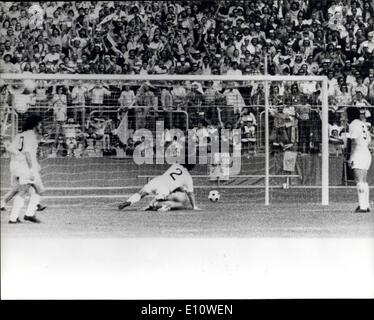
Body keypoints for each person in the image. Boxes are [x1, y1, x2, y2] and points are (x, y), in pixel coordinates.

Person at [7, 114, 45, 223]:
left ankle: (19, 216)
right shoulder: (31, 136)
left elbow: (11, 149)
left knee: (32, 190)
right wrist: (32, 169)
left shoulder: (20, 135)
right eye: (40, 123)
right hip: (26, 167)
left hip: (17, 166)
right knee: (36, 190)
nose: (41, 125)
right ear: (35, 124)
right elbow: (28, 153)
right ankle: (27, 214)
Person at [118, 161, 200, 211]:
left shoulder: (175, 165)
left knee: (141, 193)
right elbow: (190, 194)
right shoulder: (188, 177)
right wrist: (194, 206)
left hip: (156, 181)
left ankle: (129, 201)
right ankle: (155, 205)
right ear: (192, 168)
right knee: (161, 202)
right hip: (165, 189)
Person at [346, 107, 372, 213]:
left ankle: (362, 206)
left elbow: (353, 142)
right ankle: (365, 204)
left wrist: (350, 157)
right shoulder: (362, 124)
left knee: (359, 181)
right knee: (364, 181)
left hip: (359, 153)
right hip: (366, 153)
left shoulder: (353, 125)